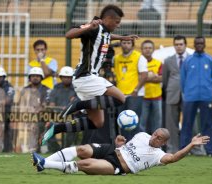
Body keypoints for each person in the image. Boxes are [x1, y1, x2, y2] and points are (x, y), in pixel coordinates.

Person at [41, 5, 138, 145]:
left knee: (98, 122)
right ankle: (77, 104)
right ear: (108, 19)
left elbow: (107, 37)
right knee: (120, 98)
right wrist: (88, 26)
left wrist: (123, 37)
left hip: (88, 80)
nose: (118, 25)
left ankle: (56, 128)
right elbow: (69, 34)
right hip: (86, 77)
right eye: (116, 22)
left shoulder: (104, 32)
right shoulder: (94, 28)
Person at [32, 128, 210, 175]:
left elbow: (174, 157)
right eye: (155, 133)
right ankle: (44, 162)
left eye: (158, 137)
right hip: (112, 150)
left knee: (84, 164)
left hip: (117, 166)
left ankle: (44, 163)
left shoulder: (158, 156)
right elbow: (124, 145)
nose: (153, 137)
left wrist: (191, 145)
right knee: (82, 149)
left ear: (163, 142)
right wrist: (118, 142)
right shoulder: (141, 134)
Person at [180, 36, 212, 156]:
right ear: (194, 44)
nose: (199, 45)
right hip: (190, 97)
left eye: (201, 43)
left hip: (206, 97)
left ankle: (210, 150)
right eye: (197, 43)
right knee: (187, 124)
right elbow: (183, 80)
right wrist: (187, 92)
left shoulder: (210, 60)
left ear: (204, 44)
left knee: (208, 124)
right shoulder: (188, 60)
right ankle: (184, 150)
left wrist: (208, 91)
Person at [113, 38, 148, 140]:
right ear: (120, 44)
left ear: (132, 45)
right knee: (122, 123)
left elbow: (144, 76)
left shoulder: (139, 57)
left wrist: (136, 90)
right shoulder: (116, 58)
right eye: (124, 42)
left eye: (128, 43)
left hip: (134, 95)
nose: (126, 45)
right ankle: (125, 145)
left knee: (133, 123)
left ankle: (136, 145)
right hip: (120, 95)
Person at [162, 35, 191, 153]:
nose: (178, 47)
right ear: (174, 46)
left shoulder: (191, 59)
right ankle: (171, 148)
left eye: (181, 44)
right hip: (172, 94)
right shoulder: (168, 60)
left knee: (189, 122)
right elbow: (165, 79)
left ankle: (189, 148)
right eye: (176, 45)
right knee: (171, 124)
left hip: (189, 95)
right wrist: (167, 91)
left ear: (185, 45)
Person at [18, 67, 51, 152]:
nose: (35, 77)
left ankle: (42, 147)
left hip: (42, 117)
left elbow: (46, 103)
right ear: (29, 78)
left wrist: (40, 109)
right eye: (33, 76)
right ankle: (25, 146)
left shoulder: (46, 89)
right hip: (26, 116)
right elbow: (20, 103)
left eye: (37, 76)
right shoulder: (24, 90)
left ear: (41, 77)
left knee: (40, 125)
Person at [48, 66, 77, 150]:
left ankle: (66, 148)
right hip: (57, 116)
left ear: (72, 78)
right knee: (49, 126)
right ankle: (55, 149)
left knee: (73, 126)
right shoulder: (56, 88)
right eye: (64, 77)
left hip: (71, 116)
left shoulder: (76, 88)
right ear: (60, 77)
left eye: (68, 77)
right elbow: (52, 103)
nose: (66, 79)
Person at [139, 40, 162, 134]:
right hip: (143, 97)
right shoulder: (138, 63)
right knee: (141, 124)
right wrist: (152, 76)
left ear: (153, 50)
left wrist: (145, 77)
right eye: (145, 48)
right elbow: (137, 79)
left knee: (157, 124)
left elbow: (161, 78)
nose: (147, 50)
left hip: (157, 97)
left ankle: (157, 145)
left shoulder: (158, 63)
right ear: (141, 50)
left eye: (150, 48)